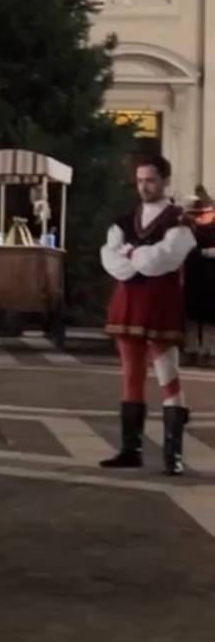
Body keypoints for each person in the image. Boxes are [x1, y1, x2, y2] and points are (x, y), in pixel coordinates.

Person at [100, 155, 196, 475]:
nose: (144, 186)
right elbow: (110, 259)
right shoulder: (124, 221)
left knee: (168, 376)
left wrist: (132, 254)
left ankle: (173, 455)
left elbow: (164, 259)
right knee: (131, 377)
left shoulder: (179, 221)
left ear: (165, 180)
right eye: (140, 180)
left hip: (160, 306)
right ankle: (131, 450)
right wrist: (137, 258)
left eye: (150, 180)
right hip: (127, 304)